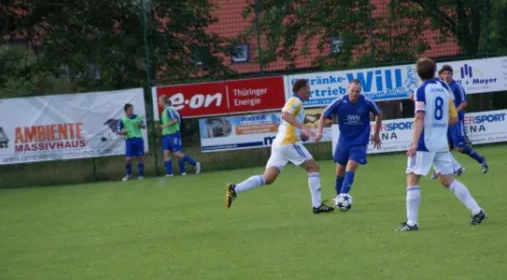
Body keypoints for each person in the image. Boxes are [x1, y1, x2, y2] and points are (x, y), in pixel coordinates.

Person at [399, 58, 487, 231]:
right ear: (435, 71)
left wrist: (414, 144)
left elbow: (419, 118)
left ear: (418, 74)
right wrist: (438, 126)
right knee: (446, 180)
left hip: (425, 141)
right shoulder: (445, 88)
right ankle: (477, 211)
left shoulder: (421, 90)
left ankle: (412, 223)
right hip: (441, 141)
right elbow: (454, 118)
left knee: (412, 177)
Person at [225, 79, 334, 214]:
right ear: (302, 89)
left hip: (280, 143)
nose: (310, 91)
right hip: (288, 142)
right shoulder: (296, 101)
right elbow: (285, 115)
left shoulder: (297, 104)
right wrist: (303, 127)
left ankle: (235, 189)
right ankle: (317, 206)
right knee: (313, 167)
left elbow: (289, 122)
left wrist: (302, 133)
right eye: (308, 88)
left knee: (268, 178)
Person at [314, 79, 382, 197]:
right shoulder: (340, 101)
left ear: (360, 91)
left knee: (351, 166)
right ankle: (338, 197)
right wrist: (319, 132)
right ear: (348, 89)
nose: (354, 94)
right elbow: (323, 115)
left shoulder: (366, 101)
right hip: (344, 140)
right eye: (352, 91)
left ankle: (342, 197)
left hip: (360, 140)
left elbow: (379, 113)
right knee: (340, 170)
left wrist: (376, 134)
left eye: (357, 91)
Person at [435, 65, 488, 177]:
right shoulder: (439, 87)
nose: (447, 75)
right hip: (446, 121)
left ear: (452, 74)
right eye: (444, 73)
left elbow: (464, 102)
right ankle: (445, 169)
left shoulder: (457, 86)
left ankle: (481, 160)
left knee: (459, 148)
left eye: (448, 73)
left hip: (456, 119)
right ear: (441, 75)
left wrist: (454, 112)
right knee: (445, 147)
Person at [157, 95, 201, 177]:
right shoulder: (163, 112)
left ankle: (195, 164)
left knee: (177, 154)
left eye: (159, 101)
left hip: (173, 134)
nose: (158, 102)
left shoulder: (169, 110)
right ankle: (169, 174)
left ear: (164, 101)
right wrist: (161, 127)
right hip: (165, 135)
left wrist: (164, 125)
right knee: (166, 154)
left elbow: (175, 120)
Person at [117, 103, 145, 181]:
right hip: (129, 140)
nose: (131, 110)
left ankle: (140, 175)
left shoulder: (138, 117)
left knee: (140, 157)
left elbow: (144, 126)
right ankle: (129, 174)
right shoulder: (122, 120)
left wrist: (141, 125)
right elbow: (118, 131)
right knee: (128, 159)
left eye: (132, 109)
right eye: (129, 109)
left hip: (138, 139)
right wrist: (123, 132)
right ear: (126, 111)